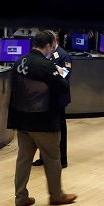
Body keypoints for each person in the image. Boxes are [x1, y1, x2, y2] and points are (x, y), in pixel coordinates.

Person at [8, 30, 76, 206]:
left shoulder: (19, 61)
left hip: (21, 118)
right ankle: (56, 195)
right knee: (53, 158)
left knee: (23, 159)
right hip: (43, 120)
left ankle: (20, 197)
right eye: (53, 45)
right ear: (48, 45)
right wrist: (59, 72)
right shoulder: (45, 65)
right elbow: (62, 87)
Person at [33, 31, 72, 168]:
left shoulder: (63, 55)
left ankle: (62, 159)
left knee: (59, 129)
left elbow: (64, 77)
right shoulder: (43, 54)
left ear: (55, 41)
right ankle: (43, 157)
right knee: (44, 130)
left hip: (57, 98)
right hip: (43, 98)